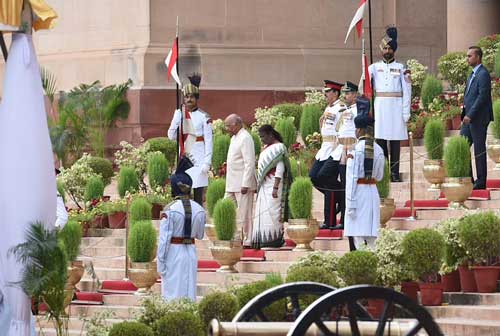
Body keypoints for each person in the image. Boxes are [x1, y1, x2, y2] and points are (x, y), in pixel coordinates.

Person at [368, 26, 411, 182]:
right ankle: (384, 171)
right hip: (380, 107)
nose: (387, 51)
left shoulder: (401, 69)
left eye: (389, 48)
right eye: (384, 48)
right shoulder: (374, 68)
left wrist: (406, 112)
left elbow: (407, 91)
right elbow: (365, 87)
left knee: (394, 141)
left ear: (394, 51)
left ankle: (394, 172)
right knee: (380, 141)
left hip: (395, 107)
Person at [157, 172, 205, 301]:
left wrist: (160, 262)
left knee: (172, 293)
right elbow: (200, 235)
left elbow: (164, 240)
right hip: (191, 252)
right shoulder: (199, 209)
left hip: (174, 252)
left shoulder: (170, 210)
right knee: (189, 291)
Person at [167, 74, 213, 205]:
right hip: (184, 158)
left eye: (192, 96)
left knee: (198, 195)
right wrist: (176, 118)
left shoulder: (204, 117)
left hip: (199, 158)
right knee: (182, 193)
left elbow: (209, 141)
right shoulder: (181, 115)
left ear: (196, 98)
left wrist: (207, 162)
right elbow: (171, 136)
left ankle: (198, 221)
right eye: (186, 97)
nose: (189, 99)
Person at [345, 114, 385, 250]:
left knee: (358, 235)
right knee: (373, 235)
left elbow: (351, 180)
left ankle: (362, 267)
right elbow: (379, 176)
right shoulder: (379, 149)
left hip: (358, 194)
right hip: (373, 192)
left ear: (359, 130)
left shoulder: (355, 150)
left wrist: (350, 204)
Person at [309, 80, 345, 229]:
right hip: (325, 147)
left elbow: (342, 129)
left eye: (327, 92)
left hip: (335, 148)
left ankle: (329, 219)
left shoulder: (341, 108)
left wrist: (338, 149)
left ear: (336, 93)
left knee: (326, 178)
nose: (325, 94)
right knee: (314, 176)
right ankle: (339, 196)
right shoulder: (329, 107)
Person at [251, 125, 292, 249]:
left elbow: (280, 169)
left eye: (263, 136)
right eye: (260, 137)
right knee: (263, 214)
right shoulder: (266, 148)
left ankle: (275, 239)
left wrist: (275, 187)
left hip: (273, 186)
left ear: (271, 135)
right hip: (264, 186)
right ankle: (262, 240)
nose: (262, 139)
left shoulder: (279, 148)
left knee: (273, 212)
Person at [461, 46, 493, 190]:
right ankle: (469, 178)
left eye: (470, 56)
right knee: (462, 146)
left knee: (479, 149)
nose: (467, 58)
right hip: (468, 119)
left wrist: (470, 114)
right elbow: (469, 96)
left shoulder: (483, 74)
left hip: (478, 118)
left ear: (478, 57)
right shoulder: (472, 74)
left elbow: (482, 97)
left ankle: (481, 181)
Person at [224, 114, 257, 246]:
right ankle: (234, 235)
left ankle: (248, 239)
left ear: (237, 125)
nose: (227, 129)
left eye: (228, 126)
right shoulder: (234, 138)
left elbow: (250, 163)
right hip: (231, 183)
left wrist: (246, 184)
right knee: (226, 208)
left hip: (243, 184)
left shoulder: (245, 138)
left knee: (245, 213)